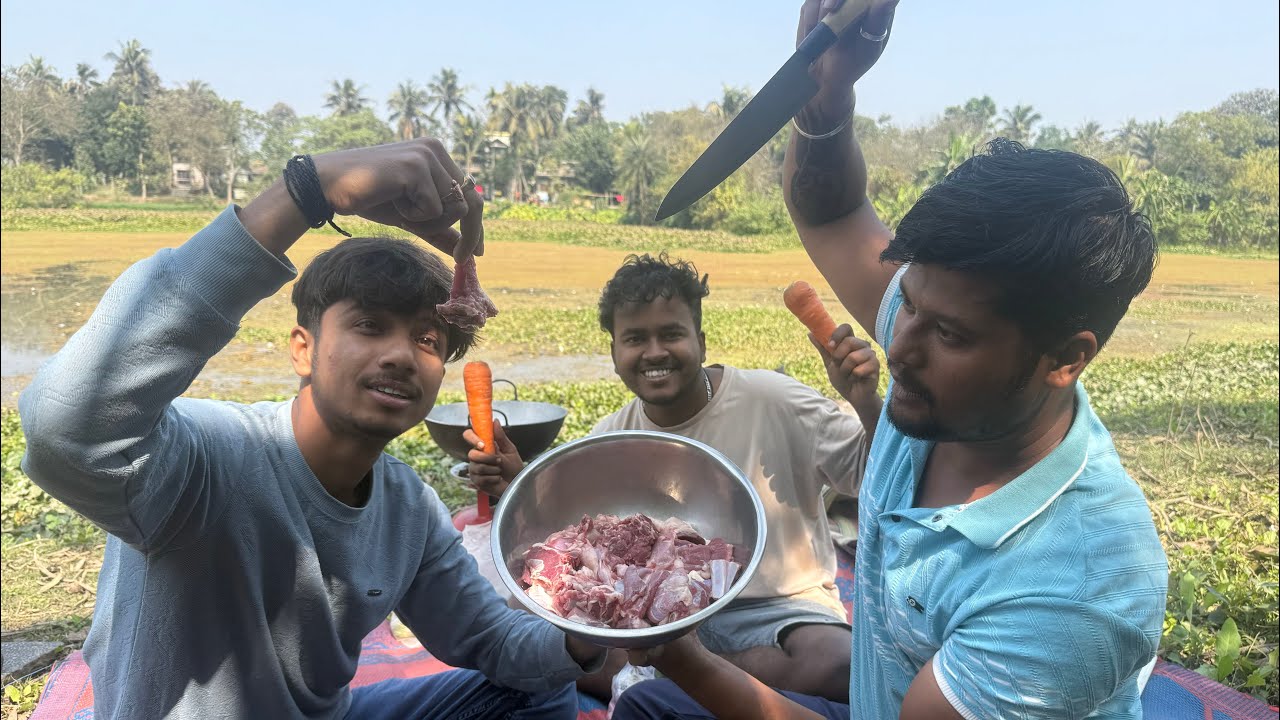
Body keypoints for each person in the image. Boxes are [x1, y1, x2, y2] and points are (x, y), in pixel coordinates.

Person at [609, 0, 1170, 718]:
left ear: (1065, 358)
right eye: (907, 302)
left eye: (948, 334)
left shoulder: (1070, 593)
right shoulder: (951, 381)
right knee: (646, 708)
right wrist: (826, 98)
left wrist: (682, 655)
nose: (897, 348)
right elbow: (833, 214)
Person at [19, 139, 603, 720]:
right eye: (370, 326)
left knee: (543, 685)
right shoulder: (203, 459)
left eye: (428, 339)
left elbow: (492, 639)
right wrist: (306, 192)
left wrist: (595, 632)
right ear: (303, 349)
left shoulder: (407, 510)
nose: (402, 354)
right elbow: (66, 426)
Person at [467, 252, 882, 702]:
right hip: (647, 618)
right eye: (635, 339)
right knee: (526, 638)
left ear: (700, 341)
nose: (654, 352)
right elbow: (567, 541)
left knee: (841, 663)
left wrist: (865, 402)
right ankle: (690, 685)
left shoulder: (774, 400)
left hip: (774, 611)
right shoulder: (610, 438)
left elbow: (873, 476)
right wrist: (518, 486)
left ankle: (671, 685)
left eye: (671, 334)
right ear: (614, 352)